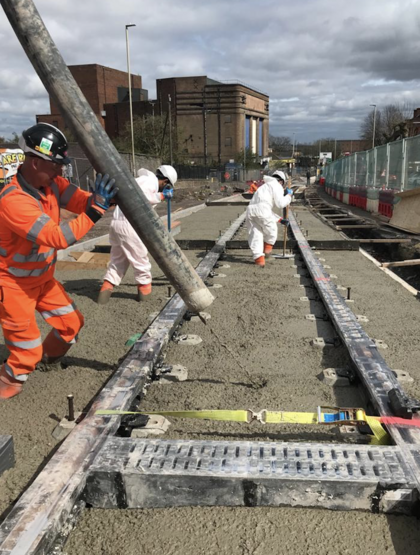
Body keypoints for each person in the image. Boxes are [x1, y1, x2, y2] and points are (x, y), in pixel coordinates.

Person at [0, 123, 118, 399]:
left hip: (42, 280)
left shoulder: (52, 184)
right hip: (13, 285)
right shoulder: (13, 201)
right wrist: (97, 209)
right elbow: (57, 237)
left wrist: (103, 199)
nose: (61, 169)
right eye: (55, 164)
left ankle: (47, 362)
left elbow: (80, 201)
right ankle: (8, 388)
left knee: (71, 324)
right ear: (33, 161)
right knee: (25, 349)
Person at [97, 165, 177, 304]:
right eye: (165, 186)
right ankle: (144, 295)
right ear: (164, 181)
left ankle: (105, 292)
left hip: (117, 225)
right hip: (130, 225)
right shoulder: (149, 181)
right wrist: (162, 195)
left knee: (118, 261)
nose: (164, 188)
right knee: (140, 260)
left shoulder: (140, 180)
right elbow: (142, 197)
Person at [246, 170, 293, 267]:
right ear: (281, 181)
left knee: (256, 235)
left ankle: (259, 260)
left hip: (251, 211)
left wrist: (279, 219)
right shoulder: (276, 185)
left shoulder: (263, 187)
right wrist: (288, 196)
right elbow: (280, 204)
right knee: (272, 231)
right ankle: (267, 252)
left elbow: (262, 207)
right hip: (262, 211)